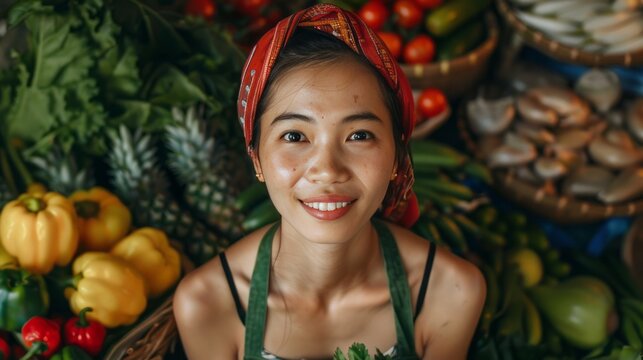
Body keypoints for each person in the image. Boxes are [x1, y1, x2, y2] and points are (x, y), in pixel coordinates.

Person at [173, 4, 486, 359]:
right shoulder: (209, 304)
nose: (327, 170)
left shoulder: (448, 292)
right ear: (257, 158)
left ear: (398, 157)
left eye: (359, 135)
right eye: (294, 136)